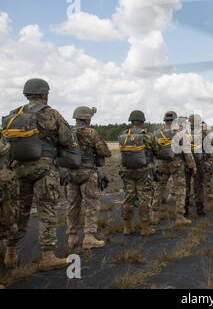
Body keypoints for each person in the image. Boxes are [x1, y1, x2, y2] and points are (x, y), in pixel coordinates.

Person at [2, 78, 73, 271]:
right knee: (47, 211)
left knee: (18, 212)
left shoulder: (13, 114)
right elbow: (67, 138)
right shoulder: (50, 114)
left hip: (17, 169)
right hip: (44, 169)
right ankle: (48, 256)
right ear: (44, 94)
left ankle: (10, 252)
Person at [65, 106, 112, 249]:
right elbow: (105, 151)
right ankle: (89, 237)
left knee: (73, 205)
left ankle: (72, 237)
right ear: (87, 118)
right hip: (87, 173)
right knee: (92, 205)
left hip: (70, 173)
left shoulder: (67, 132)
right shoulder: (91, 133)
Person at [118, 110, 160, 236]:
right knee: (144, 198)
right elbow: (157, 151)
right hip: (144, 171)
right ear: (142, 121)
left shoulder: (123, 134)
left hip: (127, 171)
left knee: (128, 198)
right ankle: (145, 228)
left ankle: (127, 226)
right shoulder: (148, 136)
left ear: (131, 121)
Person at [153, 113, 196, 225]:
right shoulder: (180, 134)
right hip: (176, 164)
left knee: (159, 189)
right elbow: (187, 152)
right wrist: (192, 166)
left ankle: (154, 215)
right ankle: (180, 217)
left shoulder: (157, 133)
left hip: (161, 164)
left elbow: (153, 150)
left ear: (164, 120)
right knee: (180, 190)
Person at [0, 134, 19, 269]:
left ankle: (10, 256)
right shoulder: (5, 138)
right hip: (6, 182)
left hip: (5, 183)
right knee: (10, 219)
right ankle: (10, 254)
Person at [184, 114, 209, 217]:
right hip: (199, 163)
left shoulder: (183, 134)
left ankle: (185, 210)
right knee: (199, 186)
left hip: (186, 163)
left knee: (186, 186)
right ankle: (200, 209)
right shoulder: (203, 134)